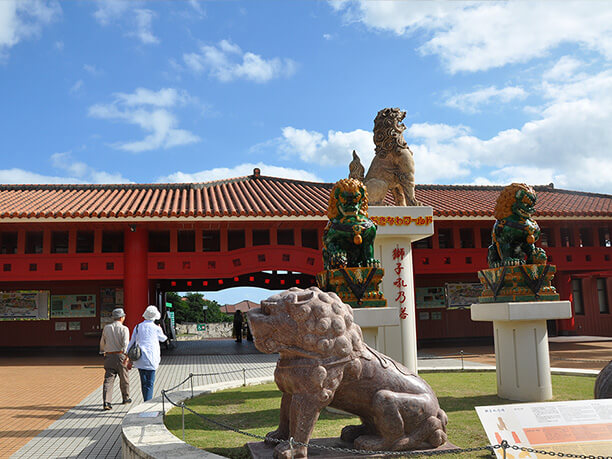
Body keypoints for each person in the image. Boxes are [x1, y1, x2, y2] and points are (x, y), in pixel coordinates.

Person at [127, 305, 168, 401]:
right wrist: (161, 329)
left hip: (140, 358)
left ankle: (146, 399)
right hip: (152, 358)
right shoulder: (156, 328)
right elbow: (163, 339)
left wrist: (127, 356)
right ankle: (148, 402)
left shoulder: (138, 326)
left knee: (143, 382)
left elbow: (131, 342)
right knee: (150, 382)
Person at [99, 308, 131, 411]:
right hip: (120, 355)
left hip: (109, 355)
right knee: (124, 378)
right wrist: (127, 356)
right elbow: (126, 343)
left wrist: (103, 351)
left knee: (108, 379)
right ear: (122, 317)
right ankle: (125, 398)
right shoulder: (124, 329)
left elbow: (103, 342)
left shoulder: (106, 328)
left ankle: (106, 401)